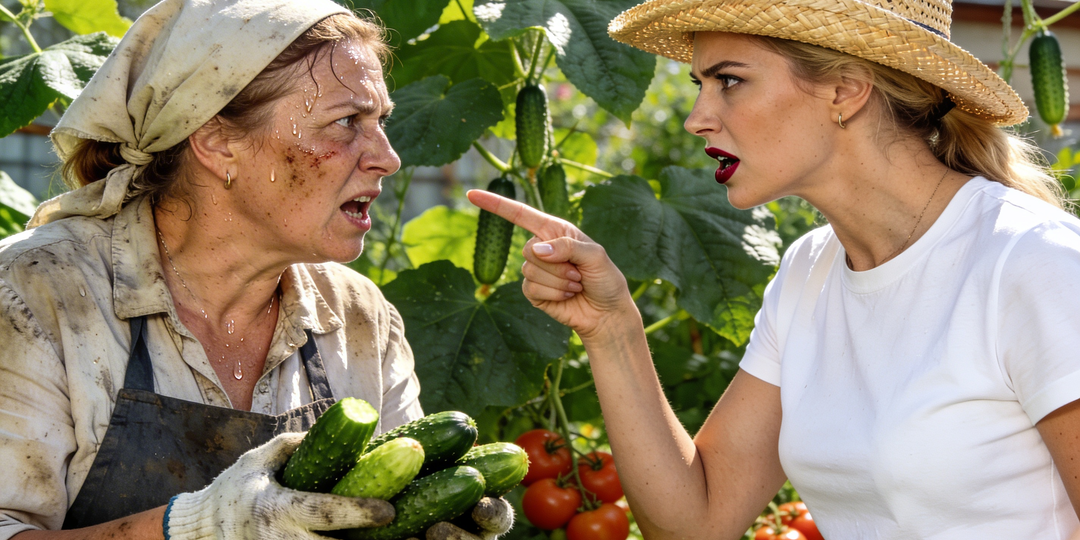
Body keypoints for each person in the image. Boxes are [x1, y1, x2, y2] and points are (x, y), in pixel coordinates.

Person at [468, 0, 1080, 538]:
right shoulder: (809, 270)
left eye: (729, 81)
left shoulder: (1032, 261)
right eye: (699, 85)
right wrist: (612, 327)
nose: (697, 117)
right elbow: (694, 524)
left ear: (846, 89)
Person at [0, 1, 511, 539]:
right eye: (346, 122)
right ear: (218, 142)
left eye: (379, 121)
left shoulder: (360, 317)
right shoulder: (33, 292)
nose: (387, 156)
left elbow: (394, 508)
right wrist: (203, 526)